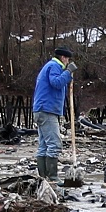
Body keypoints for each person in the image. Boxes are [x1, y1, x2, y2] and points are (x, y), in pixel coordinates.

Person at [32, 47, 74, 180]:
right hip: (47, 110)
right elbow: (56, 83)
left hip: (41, 109)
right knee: (54, 144)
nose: (68, 62)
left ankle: (43, 177)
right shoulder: (55, 66)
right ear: (63, 58)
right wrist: (68, 73)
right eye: (67, 59)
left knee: (44, 145)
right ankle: (52, 177)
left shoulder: (48, 66)